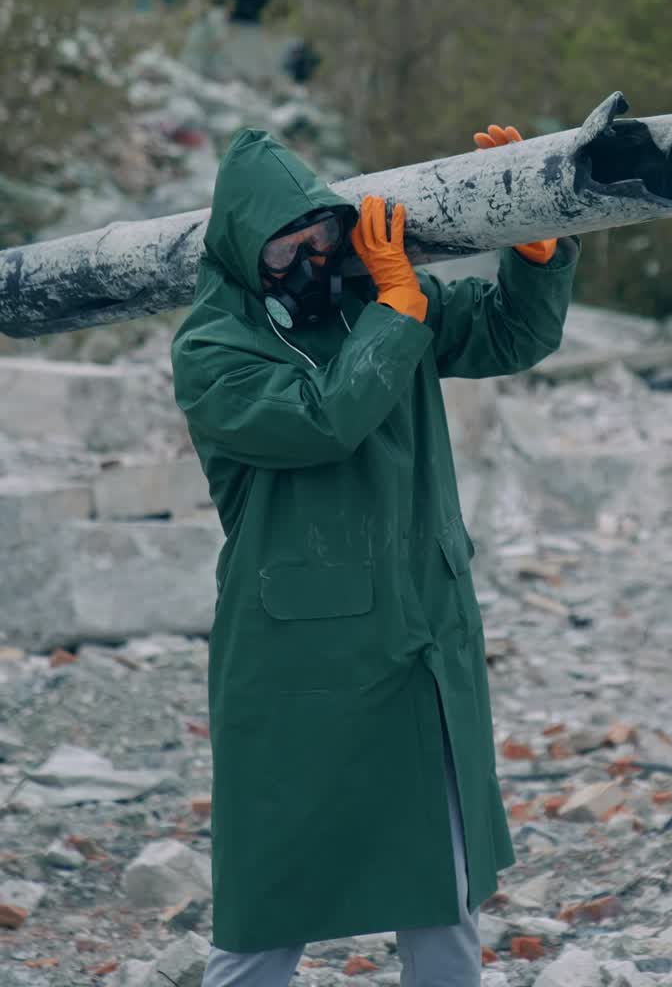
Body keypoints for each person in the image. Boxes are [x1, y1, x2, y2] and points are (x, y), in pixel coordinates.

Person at [170, 124, 579, 985]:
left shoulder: (379, 300)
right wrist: (398, 309)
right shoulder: (213, 352)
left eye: (322, 238)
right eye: (288, 245)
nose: (311, 259)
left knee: (441, 892)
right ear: (245, 249)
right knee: (266, 906)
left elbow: (511, 335)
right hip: (296, 665)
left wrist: (534, 249)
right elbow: (325, 417)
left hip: (416, 639)